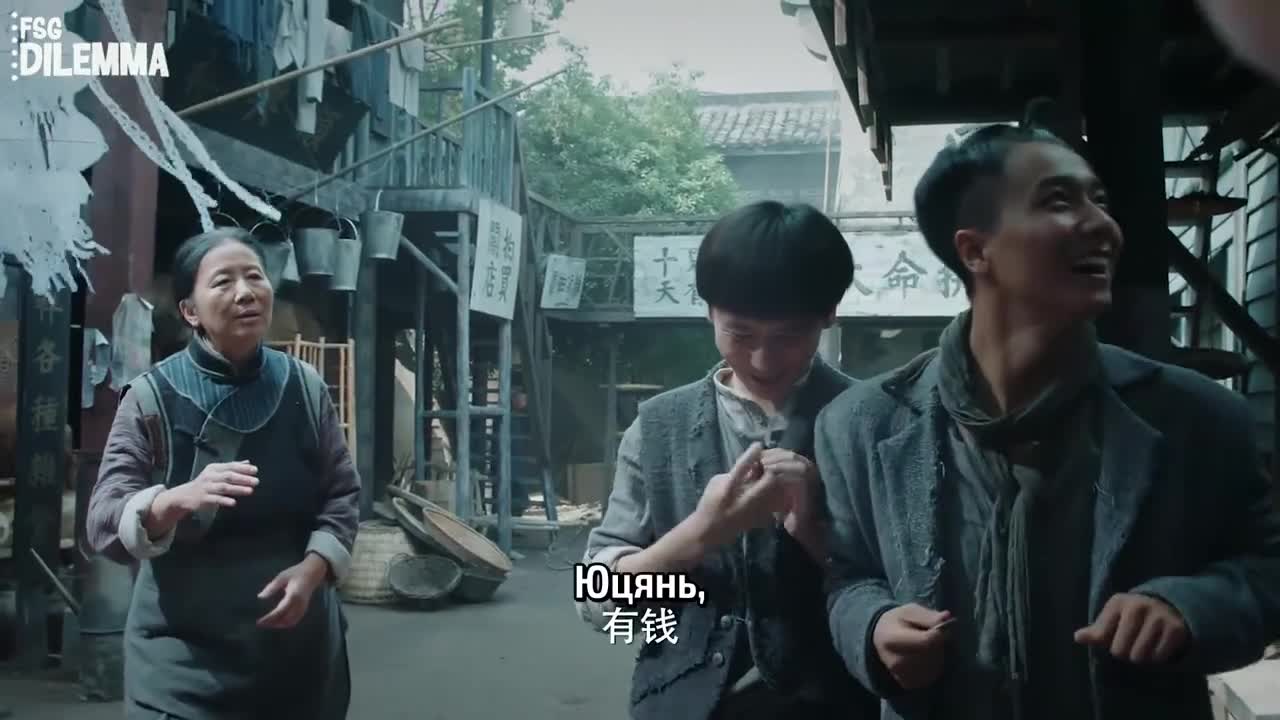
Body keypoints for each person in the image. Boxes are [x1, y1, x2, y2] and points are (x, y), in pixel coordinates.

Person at [815, 124, 1280, 720]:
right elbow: (848, 577)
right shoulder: (862, 423)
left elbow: (1266, 570)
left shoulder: (1197, 416)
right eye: (1059, 201)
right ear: (975, 251)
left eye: (1100, 202)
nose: (1102, 226)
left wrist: (1189, 608)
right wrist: (874, 626)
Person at [577, 201, 878, 719]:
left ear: (829, 315)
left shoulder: (875, 421)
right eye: (740, 334)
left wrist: (813, 530)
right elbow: (596, 598)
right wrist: (699, 535)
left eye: (790, 336)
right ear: (709, 312)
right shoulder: (657, 428)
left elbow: (907, 595)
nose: (763, 360)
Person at [86, 227, 361, 720]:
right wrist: (173, 501)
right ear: (190, 311)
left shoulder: (305, 387)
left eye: (254, 276)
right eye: (223, 282)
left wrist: (314, 569)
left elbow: (341, 493)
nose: (245, 292)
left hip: (295, 655)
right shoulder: (151, 397)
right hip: (181, 663)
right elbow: (104, 516)